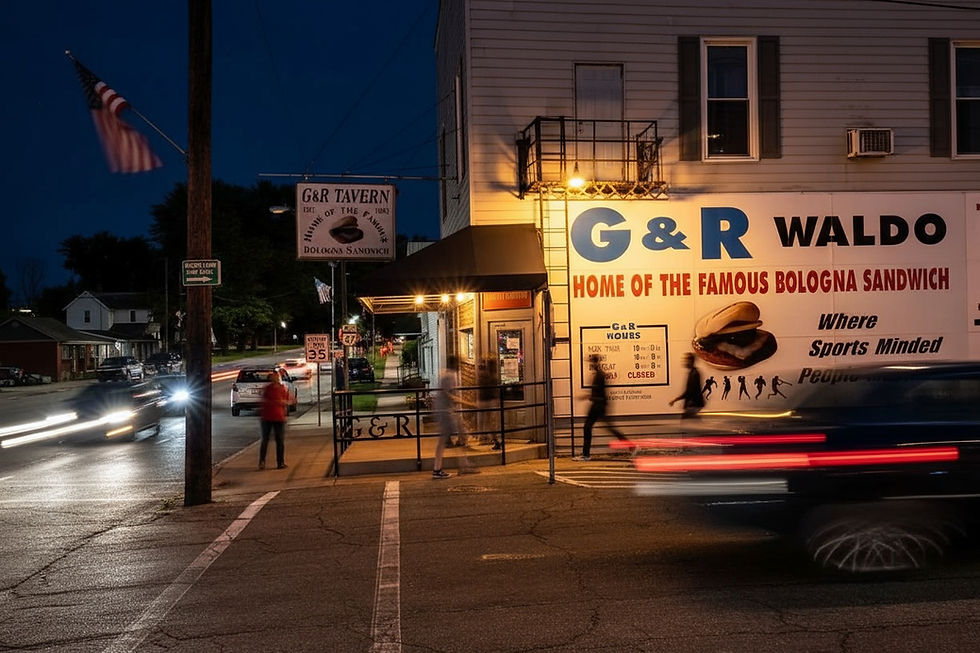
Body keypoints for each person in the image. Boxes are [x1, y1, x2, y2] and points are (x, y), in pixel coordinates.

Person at [576, 354, 629, 461]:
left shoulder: (599, 375)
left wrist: (588, 396)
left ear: (596, 363)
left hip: (598, 405)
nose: (590, 365)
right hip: (599, 405)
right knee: (604, 427)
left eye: (592, 363)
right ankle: (631, 446)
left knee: (588, 427)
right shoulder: (598, 375)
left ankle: (586, 454)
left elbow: (601, 393)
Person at [432, 355, 475, 478]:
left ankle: (441, 468)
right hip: (446, 411)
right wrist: (469, 403)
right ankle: (459, 467)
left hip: (445, 410)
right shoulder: (450, 376)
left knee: (453, 438)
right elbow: (449, 395)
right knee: (455, 439)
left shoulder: (446, 374)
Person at [259, 372, 290, 470]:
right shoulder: (268, 389)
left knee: (280, 441)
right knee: (265, 440)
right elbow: (264, 401)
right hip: (267, 417)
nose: (276, 378)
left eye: (277, 377)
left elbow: (287, 401)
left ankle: (280, 462)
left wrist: (283, 403)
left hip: (279, 417)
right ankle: (262, 461)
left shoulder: (283, 388)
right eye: (274, 377)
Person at [669, 353, 705, 418]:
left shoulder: (694, 374)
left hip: (693, 404)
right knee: (693, 422)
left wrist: (675, 399)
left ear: (691, 361)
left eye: (686, 360)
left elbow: (690, 391)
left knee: (686, 421)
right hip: (695, 403)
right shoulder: (693, 372)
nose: (684, 362)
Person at [477, 355, 501, 450]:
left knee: (489, 422)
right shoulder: (492, 376)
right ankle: (492, 439)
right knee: (491, 422)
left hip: (487, 400)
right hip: (490, 400)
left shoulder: (486, 375)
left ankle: (490, 438)